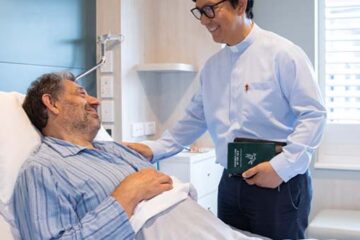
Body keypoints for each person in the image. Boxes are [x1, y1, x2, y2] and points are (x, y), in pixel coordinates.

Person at [125, 0, 327, 239]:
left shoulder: (284, 54)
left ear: (240, 5)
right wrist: (152, 149)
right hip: (230, 184)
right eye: (199, 12)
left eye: (209, 9)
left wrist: (281, 168)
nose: (203, 20)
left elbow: (314, 114)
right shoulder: (212, 68)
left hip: (279, 185)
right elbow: (193, 120)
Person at [11, 72, 265, 240]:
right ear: (51, 104)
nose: (95, 100)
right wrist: (126, 196)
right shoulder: (43, 169)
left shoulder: (114, 150)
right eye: (81, 94)